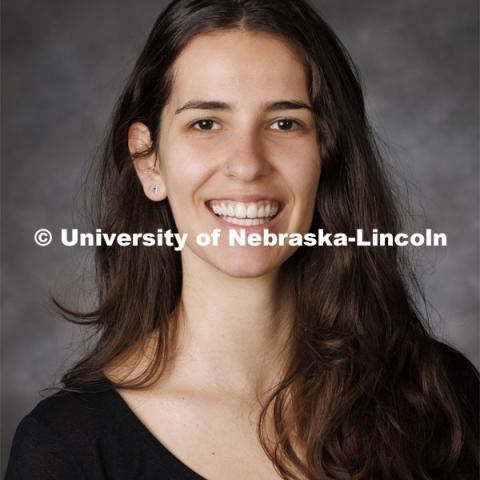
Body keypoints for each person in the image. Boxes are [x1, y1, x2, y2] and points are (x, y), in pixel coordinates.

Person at [5, 0, 479, 479]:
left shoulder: (441, 397)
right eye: (206, 123)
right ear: (149, 161)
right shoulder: (67, 446)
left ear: (327, 155)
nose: (248, 164)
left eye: (284, 123)